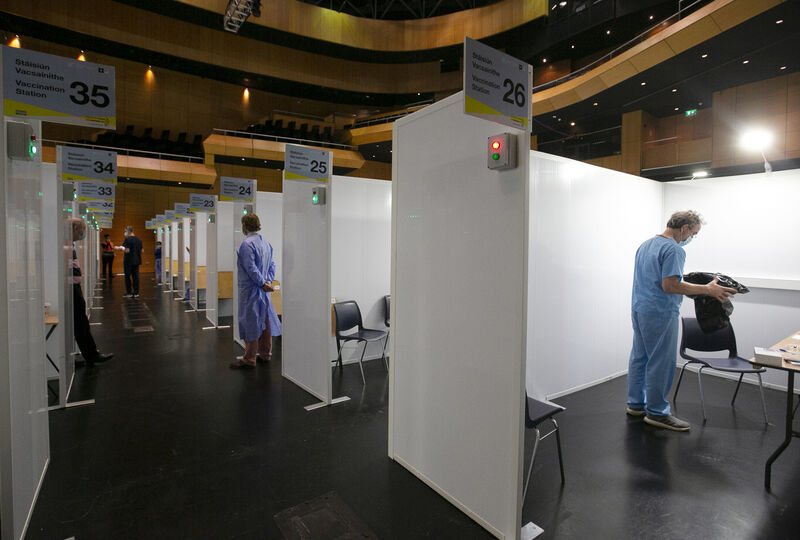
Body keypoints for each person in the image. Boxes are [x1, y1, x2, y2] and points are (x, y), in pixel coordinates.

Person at [627, 210, 736, 431]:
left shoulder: (646, 245)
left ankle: (636, 404)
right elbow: (670, 286)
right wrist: (707, 289)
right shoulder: (674, 250)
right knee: (660, 361)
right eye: (693, 233)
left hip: (640, 309)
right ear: (684, 228)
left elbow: (658, 279)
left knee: (640, 357)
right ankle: (657, 412)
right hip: (660, 312)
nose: (691, 238)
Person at [231, 213, 282, 369]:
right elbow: (272, 265)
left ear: (245, 226)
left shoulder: (246, 245)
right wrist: (267, 282)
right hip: (263, 290)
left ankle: (249, 358)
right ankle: (265, 354)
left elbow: (250, 268)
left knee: (251, 322)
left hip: (251, 290)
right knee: (265, 321)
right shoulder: (265, 243)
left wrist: (261, 283)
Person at [69, 218, 113, 368]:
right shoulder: (63, 244)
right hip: (70, 289)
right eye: (82, 230)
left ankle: (88, 354)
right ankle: (91, 355)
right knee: (80, 322)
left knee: (80, 322)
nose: (83, 234)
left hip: (73, 287)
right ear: (74, 228)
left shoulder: (68, 244)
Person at [120, 226, 143, 298]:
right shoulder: (139, 240)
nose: (125, 232)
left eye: (125, 231)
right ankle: (136, 293)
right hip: (136, 261)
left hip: (128, 261)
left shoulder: (127, 240)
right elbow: (142, 250)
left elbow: (127, 250)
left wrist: (119, 249)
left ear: (128, 231)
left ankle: (129, 292)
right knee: (136, 277)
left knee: (127, 276)